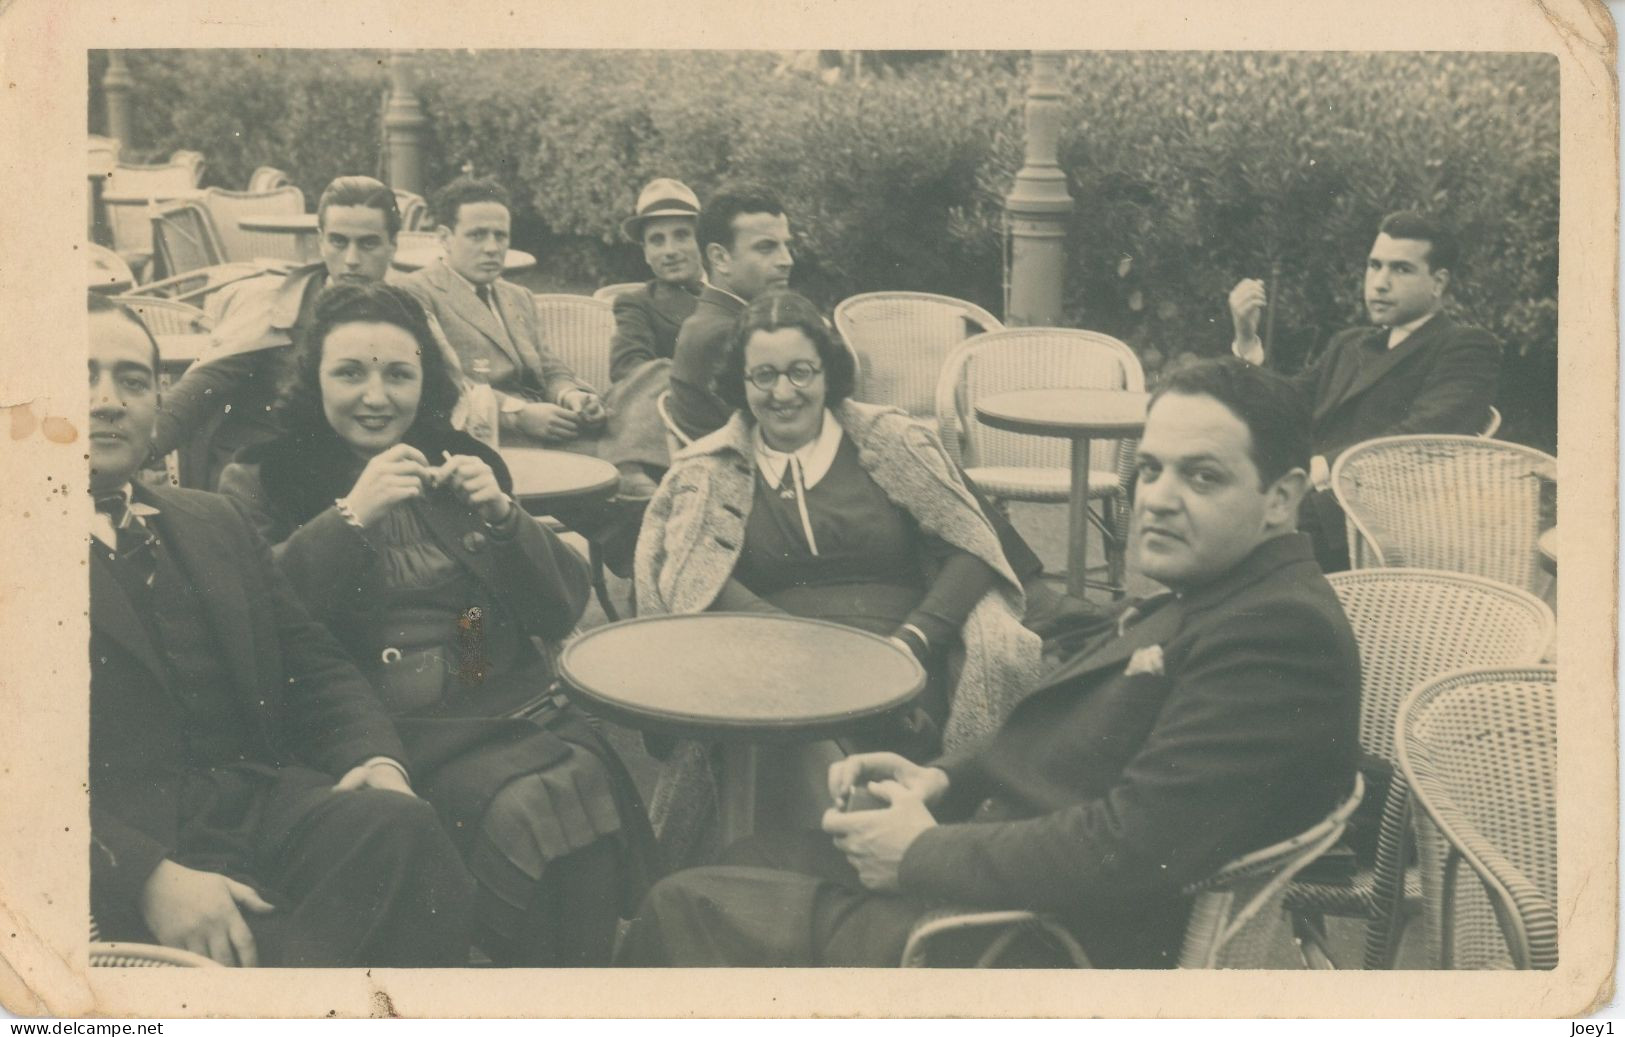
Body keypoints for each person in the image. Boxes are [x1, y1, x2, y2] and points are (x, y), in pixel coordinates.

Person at [620, 356, 1361, 969]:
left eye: (1201, 477)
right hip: (1011, 878)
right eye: (1149, 469)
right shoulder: (1221, 587)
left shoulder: (1274, 633)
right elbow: (1083, 743)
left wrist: (919, 853)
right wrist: (940, 776)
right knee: (744, 854)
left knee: (684, 903)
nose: (1156, 499)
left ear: (1280, 498)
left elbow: (1127, 848)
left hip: (1033, 942)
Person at [216, 282, 657, 965]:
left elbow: (558, 609)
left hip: (493, 701)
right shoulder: (263, 476)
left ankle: (568, 994)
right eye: (350, 372)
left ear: (426, 379)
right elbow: (254, 628)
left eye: (399, 374)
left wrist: (508, 521)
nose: (376, 395)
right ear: (313, 378)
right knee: (531, 806)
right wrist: (349, 518)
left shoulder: (453, 461)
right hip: (367, 731)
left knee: (583, 788)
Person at [87, 293, 473, 967]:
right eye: (79, 374)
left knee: (405, 829)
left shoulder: (210, 520)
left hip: (256, 804)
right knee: (290, 955)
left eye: (132, 380)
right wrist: (143, 873)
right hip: (117, 844)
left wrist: (374, 760)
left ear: (157, 401)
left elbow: (314, 663)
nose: (107, 400)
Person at [636, 289, 1042, 864]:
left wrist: (915, 640)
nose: (783, 393)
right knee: (768, 729)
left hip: (903, 656)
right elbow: (692, 579)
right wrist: (795, 647)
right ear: (741, 383)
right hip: (775, 662)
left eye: (801, 372)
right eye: (764, 376)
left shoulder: (892, 440)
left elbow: (973, 544)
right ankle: (788, 884)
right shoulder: (708, 470)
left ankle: (881, 869)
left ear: (828, 371)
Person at [1229, 210, 1501, 570]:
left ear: (1438, 282)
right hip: (1313, 504)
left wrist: (1320, 468)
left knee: (1231, 534)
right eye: (1375, 266)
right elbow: (1284, 403)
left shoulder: (1465, 347)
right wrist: (1247, 341)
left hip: (1377, 527)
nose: (1380, 283)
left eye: (1400, 269)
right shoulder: (1350, 344)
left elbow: (1421, 439)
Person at [150, 176, 412, 491]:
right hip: (272, 482)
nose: (352, 260)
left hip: (369, 478)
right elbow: (201, 390)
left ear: (393, 245)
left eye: (368, 243)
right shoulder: (275, 308)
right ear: (321, 242)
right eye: (339, 241)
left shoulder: (409, 314)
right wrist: (137, 452)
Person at [666, 190, 794, 442]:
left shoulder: (726, 319)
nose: (786, 260)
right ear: (720, 258)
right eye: (766, 247)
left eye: (786, 245)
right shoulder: (723, 334)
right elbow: (785, 436)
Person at [609, 177, 706, 384]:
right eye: (657, 240)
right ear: (645, 253)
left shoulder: (733, 287)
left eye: (681, 236)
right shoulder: (637, 303)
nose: (669, 251)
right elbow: (627, 368)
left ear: (702, 241)